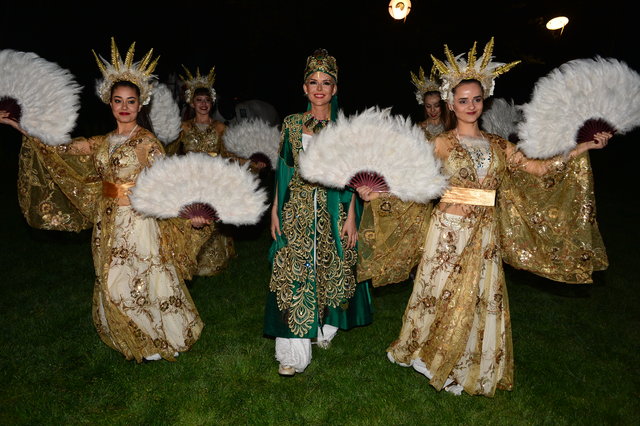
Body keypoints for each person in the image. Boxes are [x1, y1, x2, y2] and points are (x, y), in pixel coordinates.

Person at [359, 39, 611, 396]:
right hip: (447, 231)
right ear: (451, 103)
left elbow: (538, 169)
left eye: (476, 99)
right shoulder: (441, 144)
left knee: (476, 298)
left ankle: (460, 361)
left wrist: (580, 147)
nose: (470, 106)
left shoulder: (498, 145)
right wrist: (378, 191)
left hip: (485, 234)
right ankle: (423, 351)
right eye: (463, 100)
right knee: (436, 294)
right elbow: (411, 179)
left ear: (484, 100)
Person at [1, 39, 212, 363]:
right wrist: (19, 126)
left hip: (139, 222)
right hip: (107, 221)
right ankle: (135, 334)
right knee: (112, 280)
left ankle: (156, 338)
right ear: (109, 103)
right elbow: (60, 149)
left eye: (131, 101)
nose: (124, 107)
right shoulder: (102, 141)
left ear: (140, 104)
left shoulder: (147, 143)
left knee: (143, 279)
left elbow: (169, 184)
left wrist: (189, 214)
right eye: (118, 100)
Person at [264, 48, 373, 376]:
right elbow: (283, 170)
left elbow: (353, 175)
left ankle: (325, 327)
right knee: (293, 272)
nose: (319, 88)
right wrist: (275, 209)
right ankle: (292, 353)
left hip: (334, 207)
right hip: (296, 209)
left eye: (326, 82)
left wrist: (352, 216)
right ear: (304, 88)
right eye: (313, 82)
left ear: (335, 89)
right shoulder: (292, 124)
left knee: (332, 268)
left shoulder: (344, 128)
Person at [164, 66, 239, 276]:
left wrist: (249, 165)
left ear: (212, 103)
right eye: (199, 100)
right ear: (192, 102)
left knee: (211, 216)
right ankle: (190, 258)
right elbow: (171, 153)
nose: (203, 104)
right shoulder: (184, 128)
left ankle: (214, 260)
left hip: (213, 181)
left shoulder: (221, 128)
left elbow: (228, 154)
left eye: (207, 100)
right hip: (190, 182)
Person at [410, 66, 450, 140]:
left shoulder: (452, 125)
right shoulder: (418, 129)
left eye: (437, 105)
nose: (432, 110)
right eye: (428, 106)